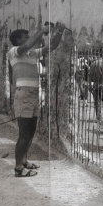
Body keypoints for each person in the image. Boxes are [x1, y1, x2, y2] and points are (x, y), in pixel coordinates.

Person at [7, 22, 65, 177]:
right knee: (23, 133)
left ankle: (24, 161)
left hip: (33, 94)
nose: (28, 39)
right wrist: (42, 31)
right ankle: (18, 168)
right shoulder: (13, 52)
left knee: (31, 131)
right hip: (24, 95)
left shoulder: (31, 54)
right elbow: (27, 45)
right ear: (18, 40)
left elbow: (51, 47)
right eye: (25, 36)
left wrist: (59, 31)